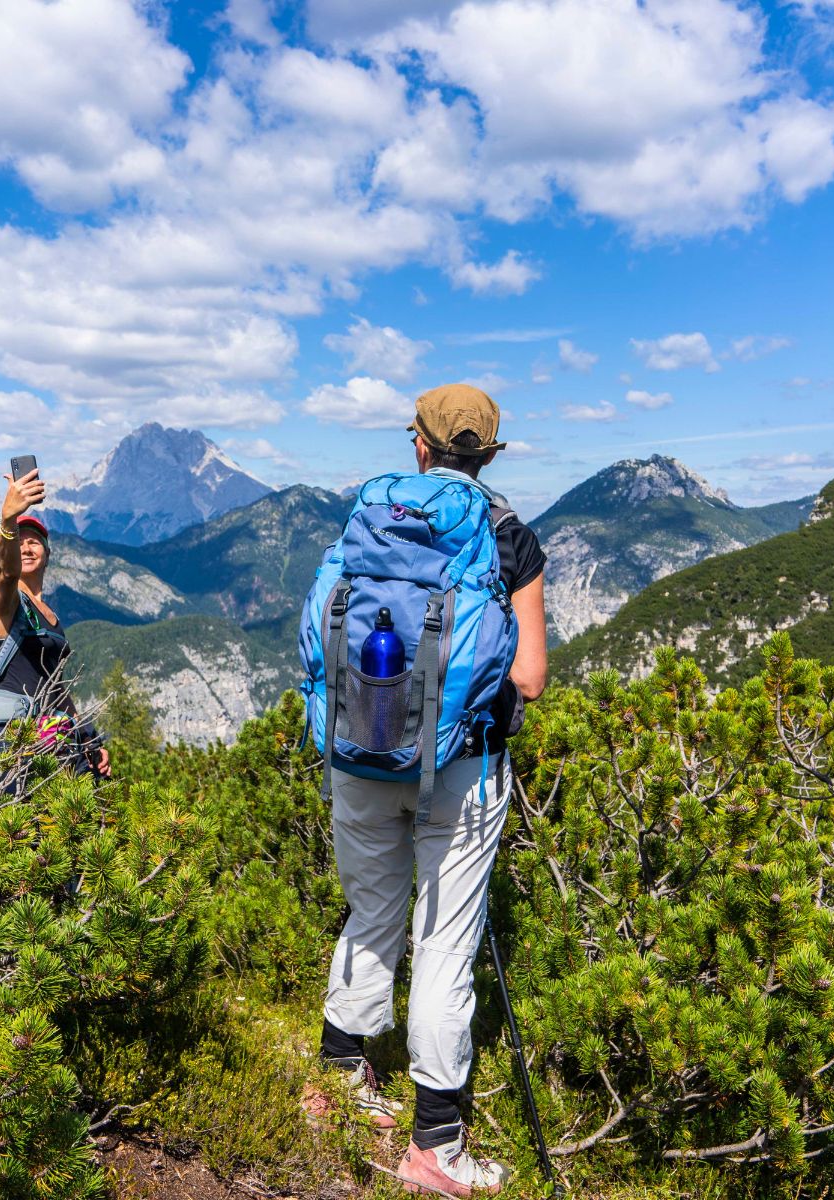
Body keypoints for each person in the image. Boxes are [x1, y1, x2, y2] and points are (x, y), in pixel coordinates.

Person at [314, 385, 546, 1198]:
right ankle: (435, 1147)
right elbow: (530, 677)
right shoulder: (509, 534)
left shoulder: (369, 518)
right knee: (444, 943)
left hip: (357, 747)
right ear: (488, 455)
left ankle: (339, 1077)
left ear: (419, 445)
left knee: (371, 909)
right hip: (460, 766)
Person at [0, 467, 111, 801]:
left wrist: (89, 739)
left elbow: (55, 687)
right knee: (4, 828)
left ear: (47, 555)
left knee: (64, 828)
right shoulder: (5, 601)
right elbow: (6, 574)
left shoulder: (51, 617)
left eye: (34, 542)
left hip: (47, 737)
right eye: (20, 542)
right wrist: (8, 520)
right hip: (2, 740)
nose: (27, 547)